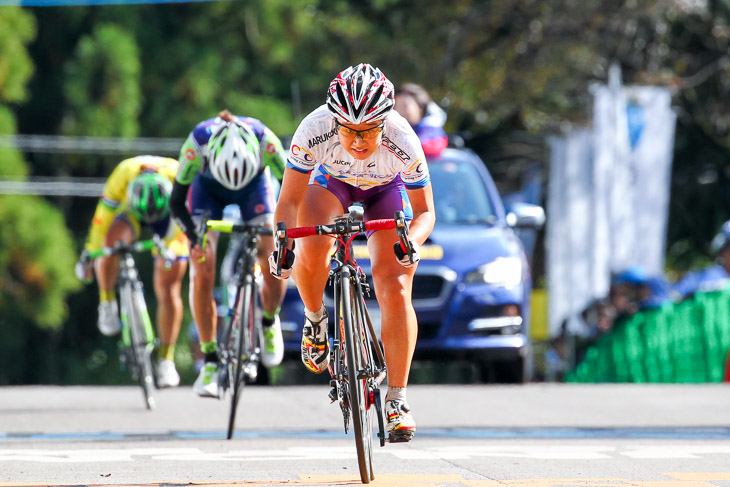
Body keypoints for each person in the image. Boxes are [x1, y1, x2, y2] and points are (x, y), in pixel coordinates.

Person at [270, 63, 436, 442]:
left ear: (384, 123)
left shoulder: (403, 139)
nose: (359, 142)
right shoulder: (313, 129)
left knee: (395, 286)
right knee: (312, 247)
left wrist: (411, 240)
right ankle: (315, 320)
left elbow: (426, 212)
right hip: (332, 183)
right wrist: (283, 243)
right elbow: (289, 202)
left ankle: (397, 399)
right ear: (334, 122)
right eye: (348, 131)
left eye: (368, 132)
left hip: (385, 190)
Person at [169, 109, 287, 398]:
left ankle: (270, 320)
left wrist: (285, 232)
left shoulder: (266, 141)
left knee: (274, 254)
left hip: (255, 190)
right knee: (201, 268)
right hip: (207, 192)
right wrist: (194, 236)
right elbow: (176, 204)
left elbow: (293, 192)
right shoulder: (196, 144)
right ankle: (210, 359)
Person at [76, 155, 189, 388]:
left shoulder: (180, 177)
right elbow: (101, 221)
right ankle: (106, 302)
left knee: (169, 285)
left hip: (170, 214)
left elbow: (185, 229)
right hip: (131, 213)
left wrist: (171, 251)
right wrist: (89, 252)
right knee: (110, 245)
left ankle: (166, 360)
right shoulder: (122, 175)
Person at [394, 82, 448, 157]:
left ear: (420, 108)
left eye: (405, 106)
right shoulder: (392, 127)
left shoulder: (431, 132)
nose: (399, 111)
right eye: (396, 106)